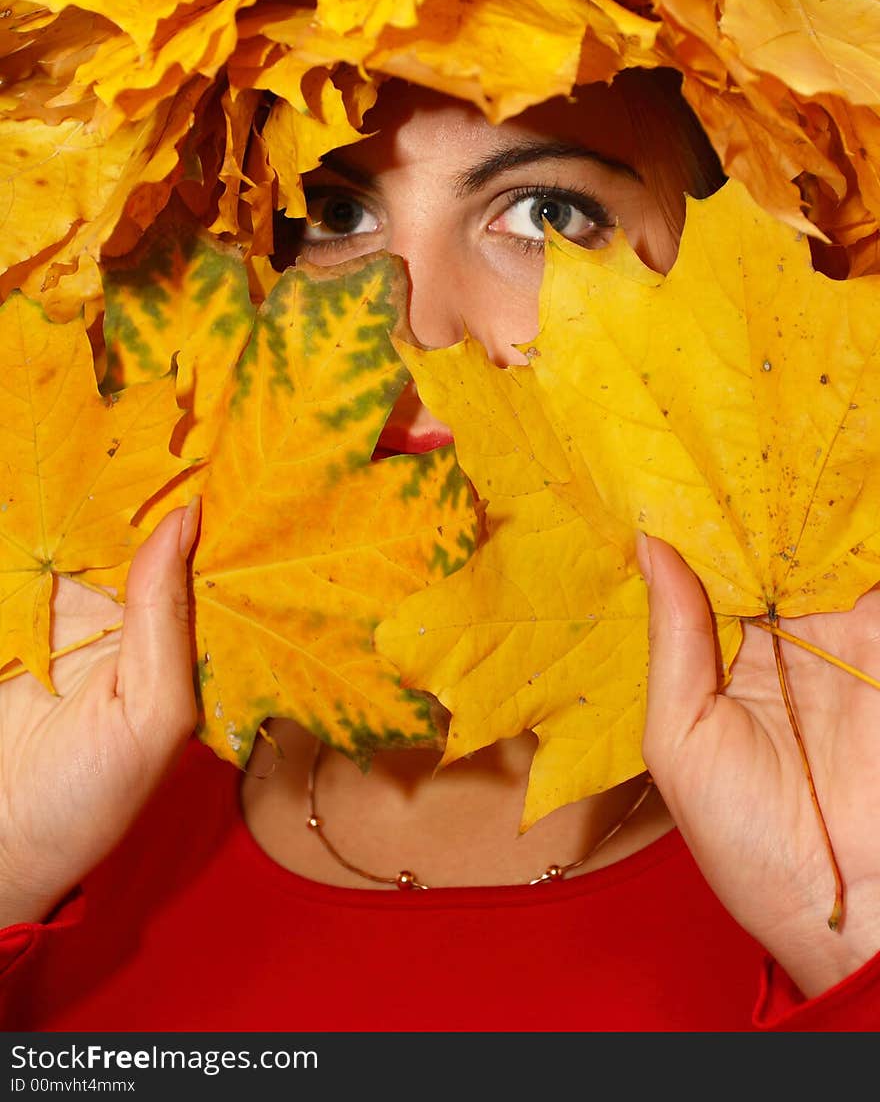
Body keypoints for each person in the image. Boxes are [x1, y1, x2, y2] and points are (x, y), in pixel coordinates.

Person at [2, 68, 879, 1033]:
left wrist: (852, 946)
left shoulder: (841, 799)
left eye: (547, 214)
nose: (413, 330)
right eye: (334, 214)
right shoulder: (78, 756)